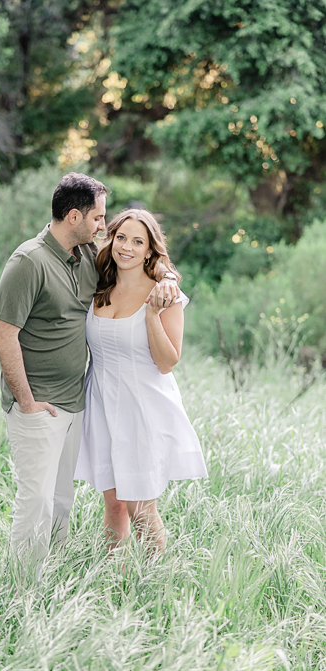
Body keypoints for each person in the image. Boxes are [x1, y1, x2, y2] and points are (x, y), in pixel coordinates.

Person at [0, 173, 178, 578]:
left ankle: (62, 577)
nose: (105, 231)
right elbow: (3, 335)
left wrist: (166, 275)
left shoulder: (88, 259)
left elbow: (146, 261)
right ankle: (21, 585)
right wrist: (25, 401)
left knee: (65, 499)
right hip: (40, 403)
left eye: (107, 222)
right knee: (37, 498)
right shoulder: (30, 261)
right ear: (74, 216)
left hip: (85, 404)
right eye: (99, 220)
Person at [74, 208, 207, 554]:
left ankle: (156, 588)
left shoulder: (165, 295)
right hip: (101, 403)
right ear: (111, 239)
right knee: (115, 505)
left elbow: (167, 362)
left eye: (138, 241)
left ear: (150, 249)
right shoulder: (98, 283)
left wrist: (151, 311)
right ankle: (114, 588)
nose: (127, 248)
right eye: (121, 238)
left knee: (142, 510)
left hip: (143, 407)